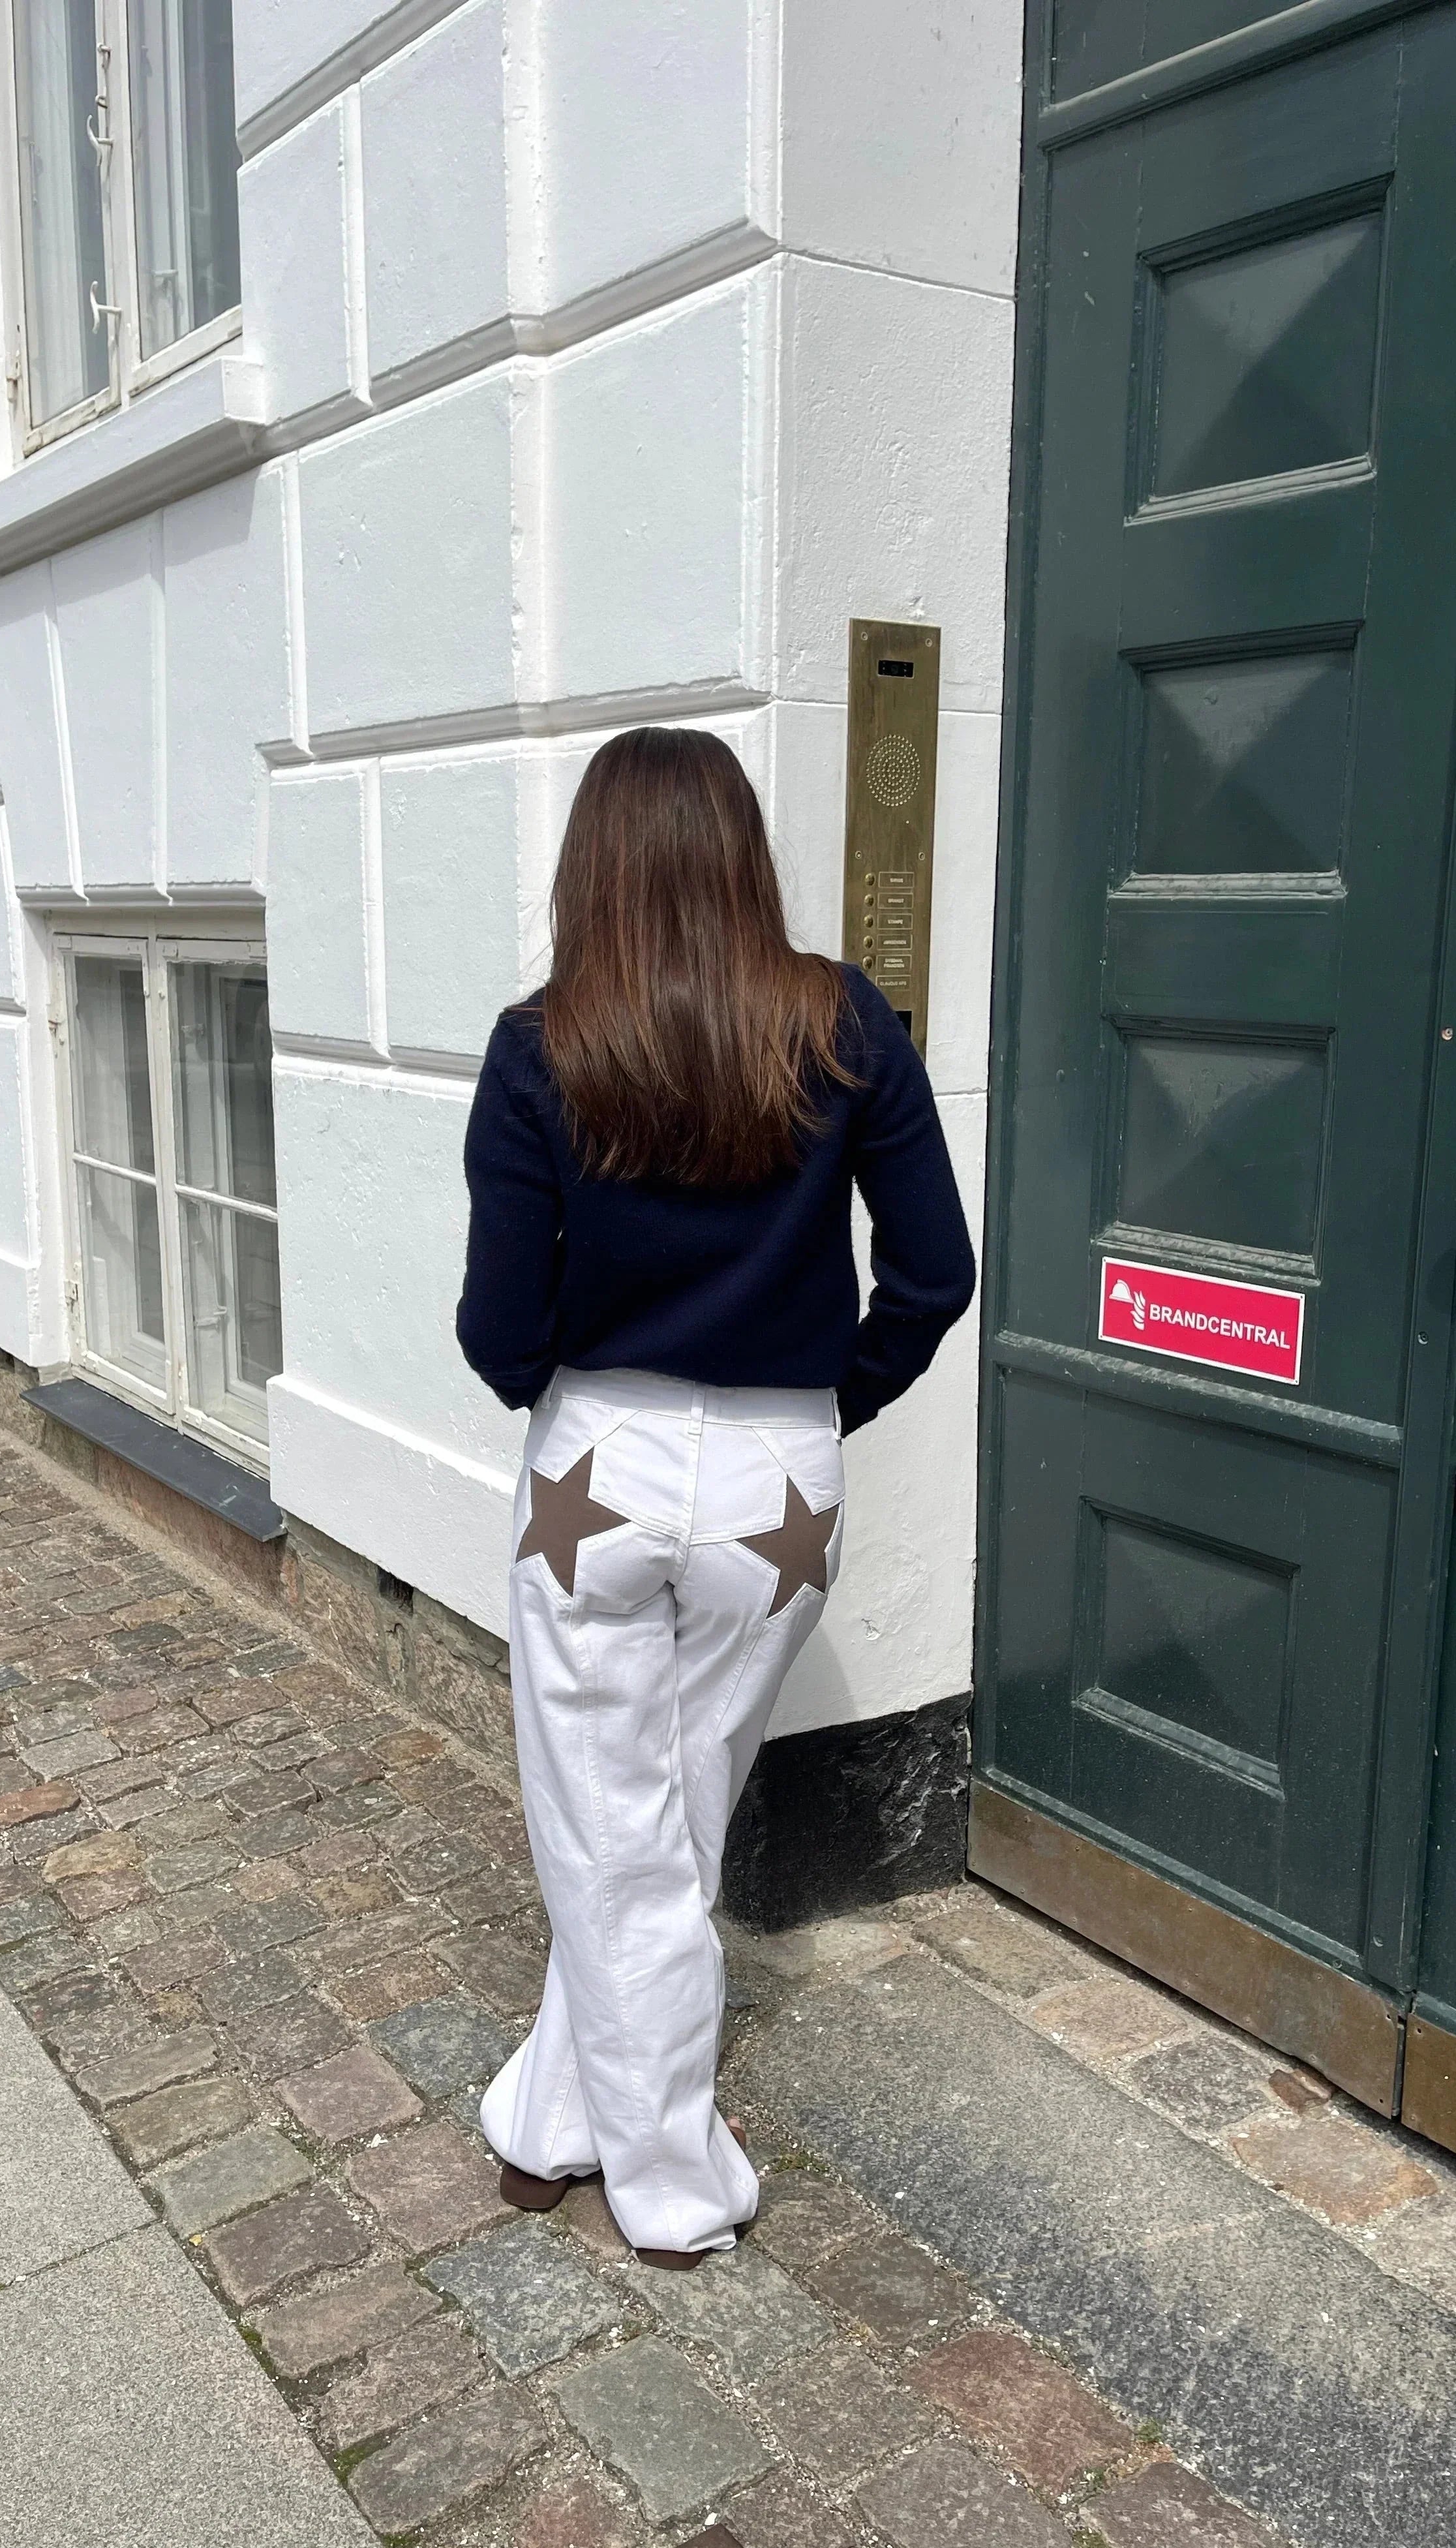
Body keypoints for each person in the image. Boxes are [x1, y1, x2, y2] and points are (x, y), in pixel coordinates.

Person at [455, 725, 975, 2267]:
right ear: (745, 851)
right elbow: (936, 1274)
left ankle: (662, 2177)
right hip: (778, 1483)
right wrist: (831, 1399)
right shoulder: (848, 1025)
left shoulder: (541, 1042)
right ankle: (553, 2119)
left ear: (589, 866)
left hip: (595, 1469)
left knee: (607, 1825)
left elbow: (498, 1333)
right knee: (664, 1821)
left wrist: (568, 1380)